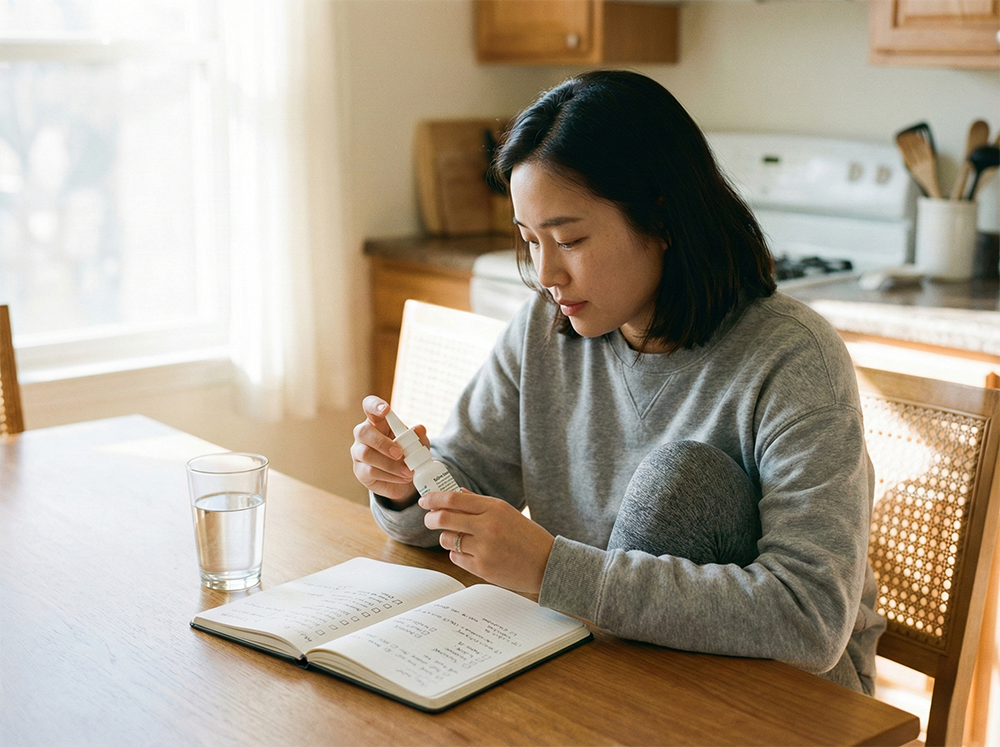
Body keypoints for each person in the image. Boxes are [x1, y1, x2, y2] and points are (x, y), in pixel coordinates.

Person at [351, 70, 884, 695]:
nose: (546, 273)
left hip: (785, 702)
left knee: (682, 482)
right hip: (606, 668)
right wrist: (408, 489)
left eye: (570, 239)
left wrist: (551, 568)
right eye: (530, 239)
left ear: (661, 219)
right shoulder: (543, 332)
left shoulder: (793, 359)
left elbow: (810, 617)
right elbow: (454, 503)